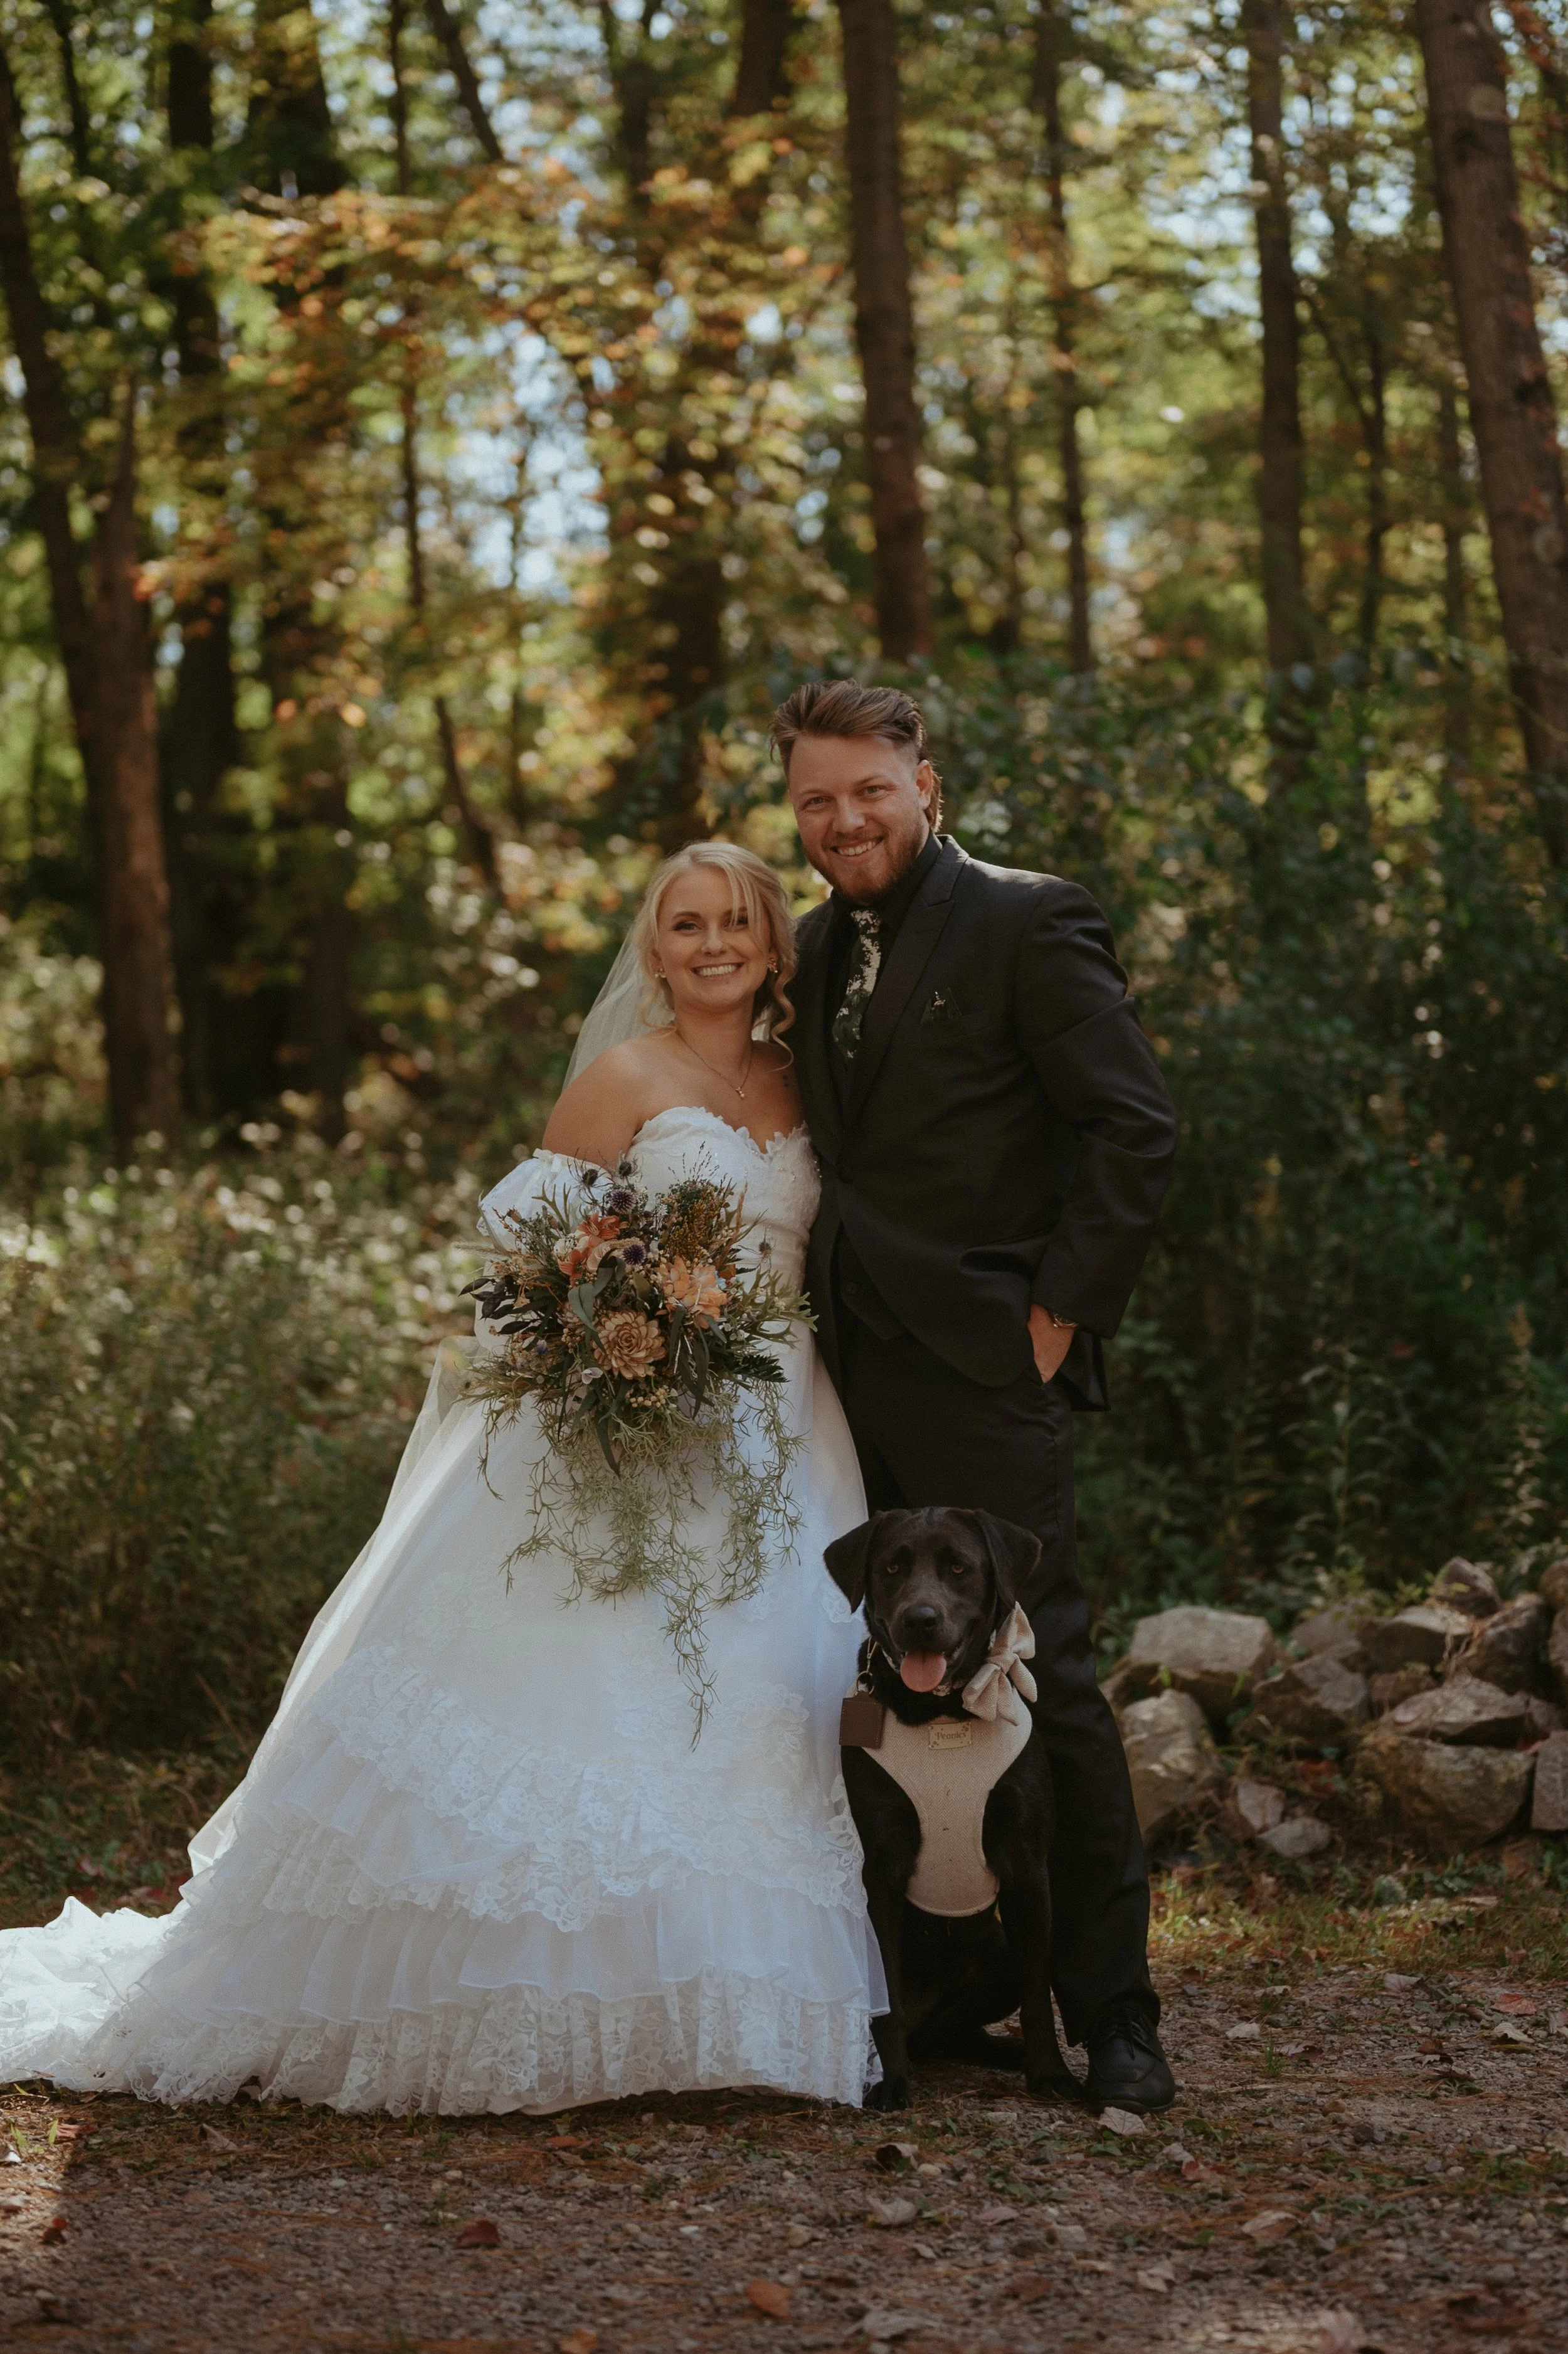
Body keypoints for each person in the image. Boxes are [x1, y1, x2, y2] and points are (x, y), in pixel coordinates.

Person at [0, 842, 882, 2114]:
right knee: (612, 1685)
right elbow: (528, 1254)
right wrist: (617, 1348)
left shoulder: (808, 1081)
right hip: (631, 1425)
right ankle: (554, 2007)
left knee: (762, 1688)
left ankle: (728, 2015)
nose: (712, 943)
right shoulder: (622, 1076)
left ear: (770, 942)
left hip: (787, 1422)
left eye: (736, 920)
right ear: (654, 944)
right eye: (685, 922)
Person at [774, 677, 1180, 2113]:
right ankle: (933, 1992)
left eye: (868, 789)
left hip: (987, 1374)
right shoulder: (808, 949)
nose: (843, 818)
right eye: (815, 798)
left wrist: (1055, 1317)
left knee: (1045, 1680)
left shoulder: (1025, 916)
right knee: (872, 1696)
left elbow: (1130, 1122)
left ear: (924, 783)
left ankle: (1114, 2013)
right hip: (842, 1387)